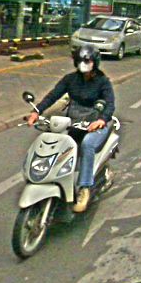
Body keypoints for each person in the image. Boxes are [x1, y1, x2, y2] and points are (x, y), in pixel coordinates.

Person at [27, 45, 115, 213]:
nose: (84, 64)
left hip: (95, 124)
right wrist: (36, 112)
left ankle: (84, 188)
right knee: (55, 140)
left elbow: (110, 105)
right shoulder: (70, 79)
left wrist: (101, 120)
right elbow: (52, 96)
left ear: (95, 63)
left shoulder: (103, 82)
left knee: (87, 144)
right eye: (81, 61)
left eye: (87, 61)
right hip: (73, 122)